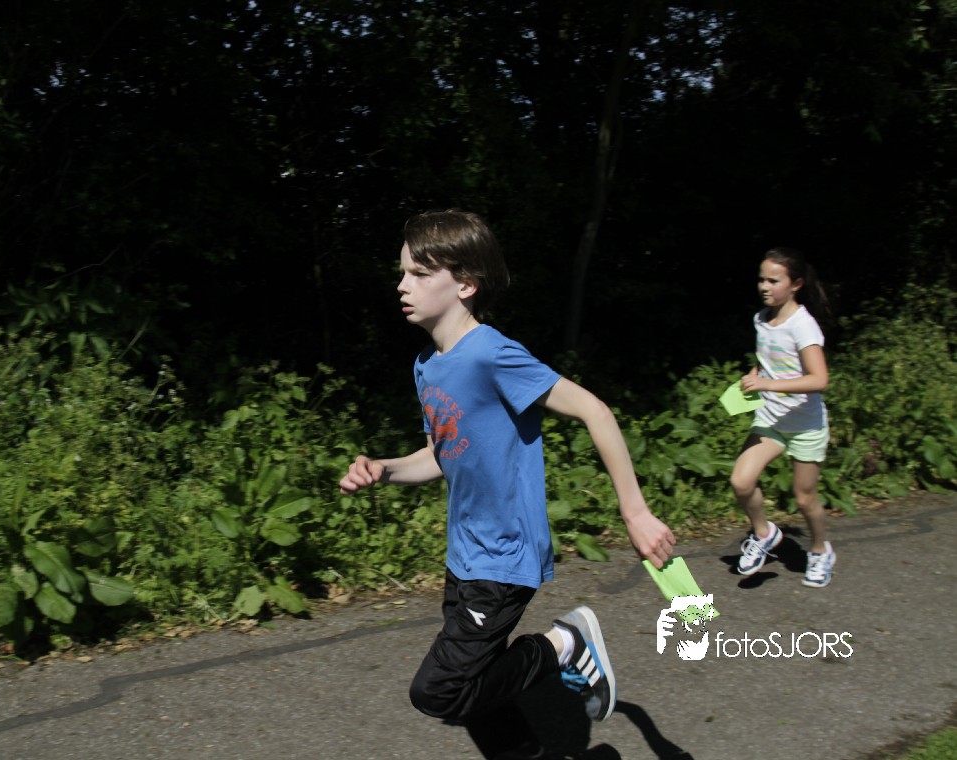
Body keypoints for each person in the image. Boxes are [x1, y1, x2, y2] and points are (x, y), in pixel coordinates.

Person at [338, 210, 675, 755]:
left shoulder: (491, 353)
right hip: (465, 552)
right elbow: (441, 455)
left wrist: (634, 512)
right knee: (479, 685)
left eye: (419, 273)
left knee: (439, 690)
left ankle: (565, 645)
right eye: (402, 272)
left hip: (504, 554)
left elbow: (595, 410)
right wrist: (384, 469)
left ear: (466, 284)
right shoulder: (428, 365)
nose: (402, 285)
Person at [730, 247, 835, 587]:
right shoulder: (762, 319)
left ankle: (819, 550)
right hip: (772, 420)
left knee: (804, 498)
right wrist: (753, 376)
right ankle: (764, 534)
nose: (765, 286)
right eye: (762, 279)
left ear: (796, 284)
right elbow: (768, 360)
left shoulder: (803, 326)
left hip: (805, 425)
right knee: (741, 481)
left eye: (774, 281)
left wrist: (768, 384)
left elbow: (819, 380)